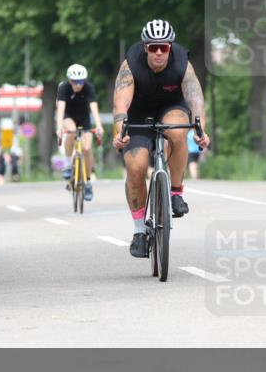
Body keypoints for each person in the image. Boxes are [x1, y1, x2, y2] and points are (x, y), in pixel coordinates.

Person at [112, 19, 210, 258]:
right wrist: (118, 133)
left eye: (163, 47)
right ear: (145, 47)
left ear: (170, 47)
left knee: (177, 131)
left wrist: (201, 131)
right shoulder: (131, 65)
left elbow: (195, 99)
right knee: (136, 167)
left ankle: (176, 193)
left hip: (171, 107)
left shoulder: (182, 64)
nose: (158, 52)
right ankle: (139, 232)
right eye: (153, 47)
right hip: (138, 112)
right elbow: (121, 103)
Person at [56, 63, 103, 202]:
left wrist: (99, 125)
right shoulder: (63, 88)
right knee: (70, 131)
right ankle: (67, 164)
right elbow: (60, 108)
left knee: (87, 148)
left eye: (81, 81)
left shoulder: (88, 88)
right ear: (70, 81)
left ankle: (88, 183)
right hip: (68, 116)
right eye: (75, 82)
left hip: (84, 119)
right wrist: (59, 126)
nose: (78, 85)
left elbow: (94, 108)